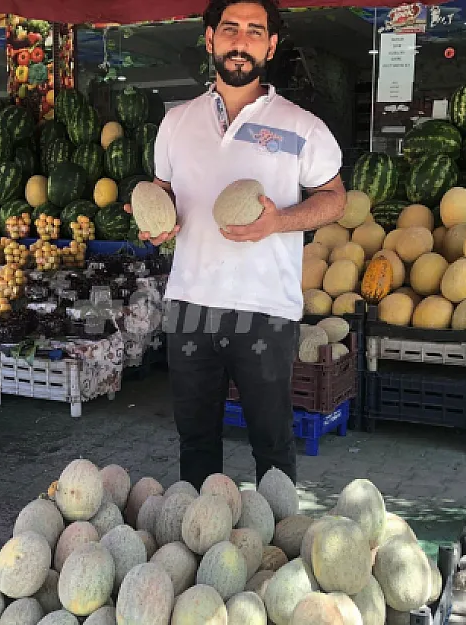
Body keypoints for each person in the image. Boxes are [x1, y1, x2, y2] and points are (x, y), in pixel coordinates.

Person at [126, 0, 346, 488]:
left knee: (271, 440)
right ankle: (204, 541)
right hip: (189, 304)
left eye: (253, 31)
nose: (240, 40)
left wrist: (280, 221)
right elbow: (164, 196)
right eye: (229, 29)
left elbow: (334, 199)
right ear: (210, 39)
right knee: (196, 438)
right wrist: (155, 221)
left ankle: (275, 547)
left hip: (265, 307)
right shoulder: (177, 122)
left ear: (270, 45)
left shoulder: (299, 127)